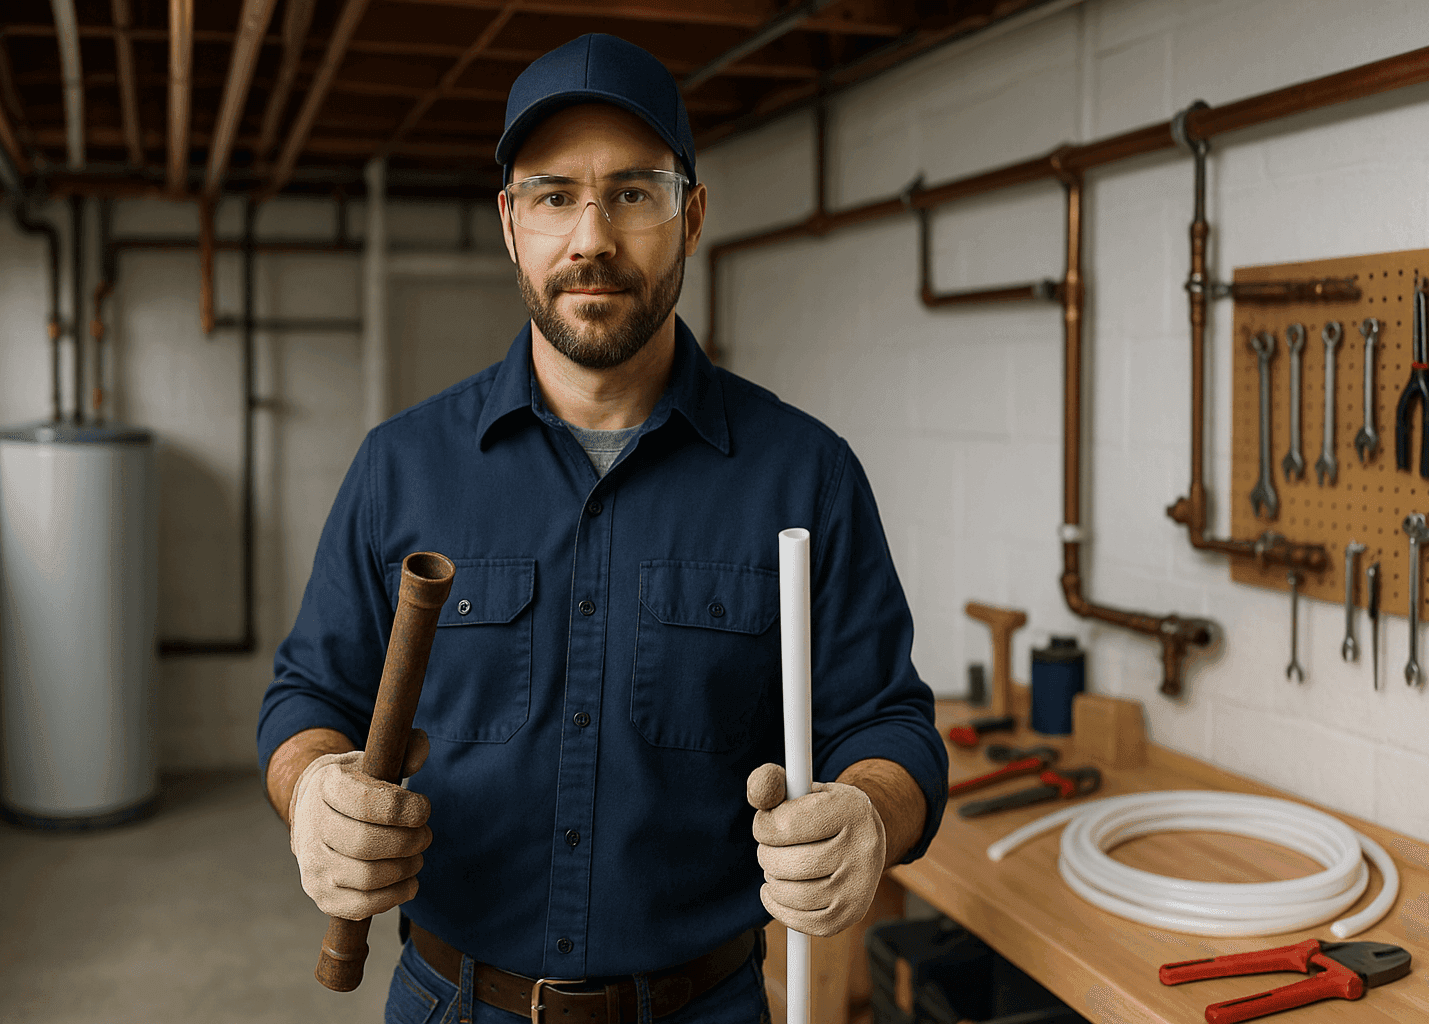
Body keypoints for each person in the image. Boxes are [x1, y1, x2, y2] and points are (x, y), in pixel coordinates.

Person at [257, 32, 949, 1024]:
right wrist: (311, 789)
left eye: (633, 192)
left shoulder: (809, 474)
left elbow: (890, 722)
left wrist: (873, 812)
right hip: (453, 1001)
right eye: (553, 196)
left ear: (692, 216)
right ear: (509, 222)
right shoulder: (398, 466)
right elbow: (307, 694)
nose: (592, 237)